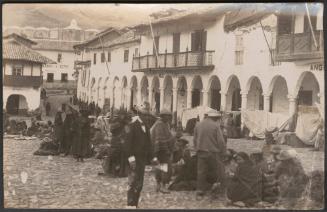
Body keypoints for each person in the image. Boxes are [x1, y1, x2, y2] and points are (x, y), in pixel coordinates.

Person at [193, 109, 226, 198]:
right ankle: (217, 189)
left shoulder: (198, 125)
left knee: (201, 172)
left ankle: (200, 190)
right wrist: (223, 152)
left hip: (201, 152)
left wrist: (197, 149)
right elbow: (221, 141)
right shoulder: (216, 126)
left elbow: (195, 140)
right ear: (215, 117)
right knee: (217, 170)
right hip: (213, 152)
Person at [123, 108, 152, 208]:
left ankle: (135, 203)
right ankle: (130, 204)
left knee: (139, 182)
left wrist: (151, 157)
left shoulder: (146, 127)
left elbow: (149, 143)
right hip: (134, 159)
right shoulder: (132, 125)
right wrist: (131, 158)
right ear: (140, 115)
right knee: (132, 181)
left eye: (149, 116)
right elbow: (127, 144)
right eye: (146, 115)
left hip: (142, 159)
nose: (148, 118)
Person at [150, 109, 176, 194]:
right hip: (161, 149)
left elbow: (168, 136)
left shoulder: (165, 124)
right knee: (166, 167)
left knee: (160, 167)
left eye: (169, 116)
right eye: (167, 116)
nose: (169, 118)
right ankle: (163, 185)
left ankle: (159, 185)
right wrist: (167, 149)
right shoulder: (160, 125)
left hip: (160, 149)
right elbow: (160, 139)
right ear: (163, 116)